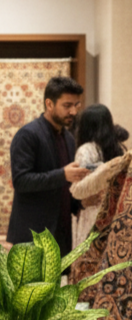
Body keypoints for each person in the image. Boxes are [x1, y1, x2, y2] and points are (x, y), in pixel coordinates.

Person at [6, 75, 89, 256]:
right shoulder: (28, 135)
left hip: (61, 234)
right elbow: (21, 181)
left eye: (76, 105)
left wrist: (80, 203)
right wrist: (63, 175)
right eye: (67, 105)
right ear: (49, 104)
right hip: (32, 234)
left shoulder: (68, 138)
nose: (73, 111)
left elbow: (64, 188)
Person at [70, 104, 127, 247]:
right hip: (113, 211)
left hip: (92, 212)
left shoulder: (86, 150)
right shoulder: (117, 149)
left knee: (89, 255)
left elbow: (79, 188)